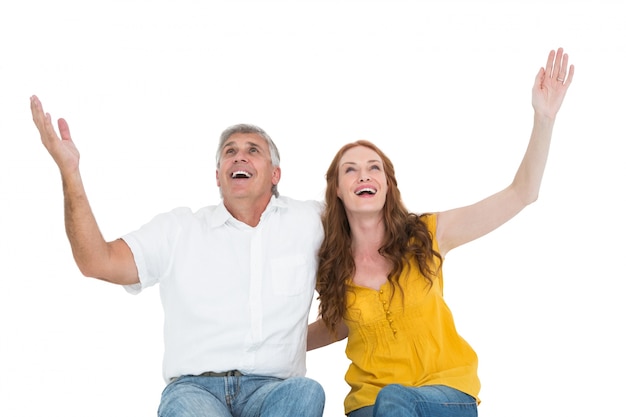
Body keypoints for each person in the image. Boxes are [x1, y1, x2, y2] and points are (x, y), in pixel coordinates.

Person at [307, 47, 574, 417]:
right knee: (385, 403)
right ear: (336, 188)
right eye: (350, 170)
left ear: (387, 185)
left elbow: (522, 193)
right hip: (368, 404)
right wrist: (263, 348)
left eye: (374, 168)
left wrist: (544, 119)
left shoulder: (427, 235)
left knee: (395, 399)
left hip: (445, 394)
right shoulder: (331, 263)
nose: (364, 174)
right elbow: (337, 326)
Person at [30, 98, 326, 417]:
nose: (239, 155)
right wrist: (70, 173)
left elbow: (369, 239)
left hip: (274, 389)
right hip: (195, 391)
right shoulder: (179, 229)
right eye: (230, 151)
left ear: (275, 174)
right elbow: (96, 262)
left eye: (253, 150)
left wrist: (292, 341)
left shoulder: (309, 221)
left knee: (307, 393)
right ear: (218, 176)